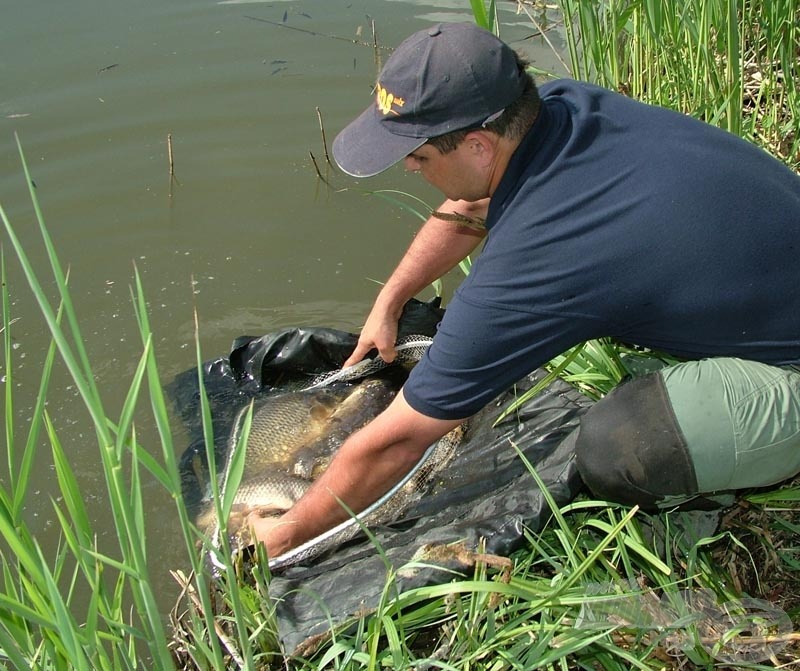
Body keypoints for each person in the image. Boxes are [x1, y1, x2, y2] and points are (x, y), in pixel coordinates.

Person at [248, 21, 800, 559]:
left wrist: (290, 532)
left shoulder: (547, 249)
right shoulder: (559, 107)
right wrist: (389, 302)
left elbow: (401, 439)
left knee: (620, 446)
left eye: (418, 157)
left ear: (479, 146)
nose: (411, 170)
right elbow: (469, 203)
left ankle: (702, 499)